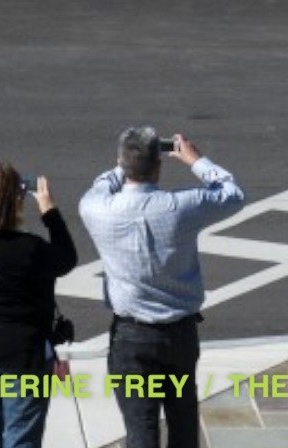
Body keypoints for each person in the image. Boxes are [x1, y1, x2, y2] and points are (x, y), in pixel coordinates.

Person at [79, 128, 246, 448]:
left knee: (140, 429)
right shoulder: (182, 206)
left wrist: (125, 162)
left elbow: (102, 184)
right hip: (179, 335)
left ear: (122, 163)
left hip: (130, 338)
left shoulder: (95, 208)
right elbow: (232, 194)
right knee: (183, 423)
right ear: (158, 165)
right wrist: (196, 161)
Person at [0, 164, 77, 448]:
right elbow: (67, 258)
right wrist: (49, 210)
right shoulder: (28, 248)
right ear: (13, 203)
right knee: (21, 434)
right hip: (24, 354)